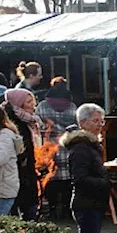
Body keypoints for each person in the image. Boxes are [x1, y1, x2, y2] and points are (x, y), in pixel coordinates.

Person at [63, 103, 110, 233]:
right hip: (86, 204)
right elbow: (80, 179)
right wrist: (104, 182)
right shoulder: (81, 148)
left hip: (92, 203)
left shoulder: (90, 145)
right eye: (96, 121)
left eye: (102, 121)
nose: (100, 125)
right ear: (83, 123)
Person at [38, 77, 78, 218]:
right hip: (66, 145)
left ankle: (53, 208)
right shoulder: (72, 106)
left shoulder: (43, 105)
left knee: (50, 176)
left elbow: (39, 124)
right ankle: (67, 209)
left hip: (49, 147)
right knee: (68, 178)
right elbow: (76, 125)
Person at [3, 88, 41, 220]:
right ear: (19, 104)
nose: (33, 105)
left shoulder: (28, 121)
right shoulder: (14, 124)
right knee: (22, 210)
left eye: (32, 101)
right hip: (18, 175)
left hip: (27, 173)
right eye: (29, 102)